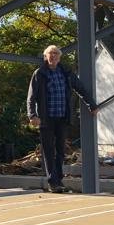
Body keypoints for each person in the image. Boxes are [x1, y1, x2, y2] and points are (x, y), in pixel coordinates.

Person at [26, 45, 95, 193]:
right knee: (49, 151)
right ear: (46, 57)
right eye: (50, 54)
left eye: (56, 54)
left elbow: (80, 88)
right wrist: (32, 115)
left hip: (63, 117)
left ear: (59, 57)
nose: (53, 56)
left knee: (60, 151)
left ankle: (59, 180)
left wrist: (92, 105)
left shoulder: (66, 73)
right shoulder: (40, 73)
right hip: (46, 119)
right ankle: (53, 182)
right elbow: (31, 97)